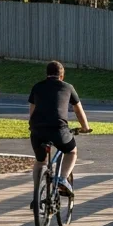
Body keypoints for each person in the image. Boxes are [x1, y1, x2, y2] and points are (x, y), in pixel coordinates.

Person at [28, 60, 91, 205]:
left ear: (47, 74)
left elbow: (32, 110)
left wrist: (32, 126)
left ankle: (36, 194)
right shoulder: (68, 87)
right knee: (71, 151)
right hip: (58, 129)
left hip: (37, 130)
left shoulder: (37, 87)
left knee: (40, 161)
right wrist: (85, 127)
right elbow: (78, 110)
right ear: (62, 76)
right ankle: (62, 178)